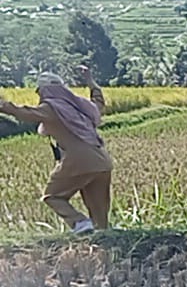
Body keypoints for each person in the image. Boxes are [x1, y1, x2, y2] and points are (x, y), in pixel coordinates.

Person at [0, 67, 112, 233]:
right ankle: (104, 240)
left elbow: (21, 112)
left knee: (53, 196)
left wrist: (3, 105)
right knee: (99, 214)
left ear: (45, 90)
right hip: (102, 161)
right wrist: (90, 81)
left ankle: (79, 222)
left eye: (40, 91)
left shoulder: (51, 109)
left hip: (78, 159)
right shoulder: (82, 108)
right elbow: (98, 101)